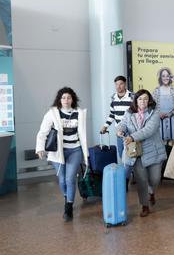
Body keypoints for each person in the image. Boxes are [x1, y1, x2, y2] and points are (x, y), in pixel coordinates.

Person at [35, 87, 89, 221]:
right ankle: (66, 196)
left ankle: (68, 206)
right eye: (63, 97)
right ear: (59, 99)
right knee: (62, 179)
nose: (66, 100)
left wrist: (85, 152)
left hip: (75, 150)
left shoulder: (79, 113)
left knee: (70, 179)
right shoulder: (52, 113)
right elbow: (43, 132)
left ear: (73, 99)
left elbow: (82, 134)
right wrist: (40, 148)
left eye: (69, 97)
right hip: (58, 152)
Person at [116, 90, 166, 218]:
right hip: (136, 152)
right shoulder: (129, 112)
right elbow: (123, 123)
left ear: (149, 100)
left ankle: (151, 192)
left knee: (155, 179)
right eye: (140, 99)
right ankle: (145, 205)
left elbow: (149, 130)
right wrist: (120, 130)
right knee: (141, 180)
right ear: (136, 101)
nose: (142, 102)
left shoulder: (154, 113)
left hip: (153, 150)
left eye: (145, 99)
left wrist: (132, 137)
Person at [100, 75, 134, 161]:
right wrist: (105, 126)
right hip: (120, 132)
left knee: (133, 154)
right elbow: (112, 114)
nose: (118, 86)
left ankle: (134, 174)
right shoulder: (113, 97)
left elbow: (137, 114)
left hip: (132, 132)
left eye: (121, 84)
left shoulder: (132, 96)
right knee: (121, 154)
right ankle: (125, 174)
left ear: (125, 84)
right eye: (116, 84)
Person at [152, 67, 174, 143]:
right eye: (163, 76)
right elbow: (152, 106)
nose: (165, 78)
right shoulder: (156, 91)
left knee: (173, 143)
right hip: (160, 120)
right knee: (162, 143)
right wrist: (158, 114)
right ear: (160, 78)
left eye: (167, 76)